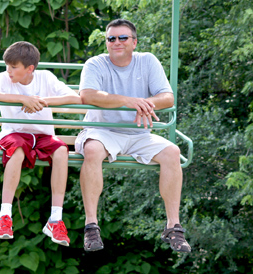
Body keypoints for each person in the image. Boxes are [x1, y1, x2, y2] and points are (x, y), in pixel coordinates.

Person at [75, 19, 191, 253]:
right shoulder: (95, 64)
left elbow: (167, 98)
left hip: (138, 132)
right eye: (111, 39)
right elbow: (88, 95)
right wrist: (130, 101)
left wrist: (145, 103)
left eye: (123, 38)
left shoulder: (147, 61)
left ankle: (173, 226)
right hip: (102, 131)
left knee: (173, 152)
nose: (116, 42)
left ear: (134, 42)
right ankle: (91, 225)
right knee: (92, 150)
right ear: (106, 43)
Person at [0, 41, 81, 247]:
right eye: (7, 66)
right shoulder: (3, 78)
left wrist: (41, 101)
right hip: (14, 133)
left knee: (62, 150)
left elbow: (75, 98)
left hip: (42, 135)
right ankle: (5, 216)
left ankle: (55, 219)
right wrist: (22, 99)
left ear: (30, 69)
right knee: (16, 150)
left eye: (14, 67)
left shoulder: (45, 77)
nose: (8, 71)